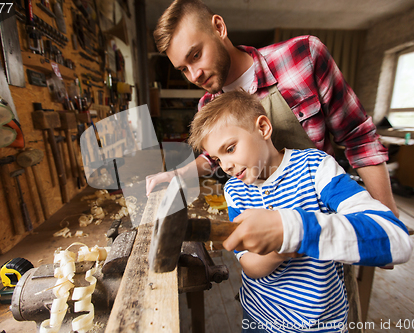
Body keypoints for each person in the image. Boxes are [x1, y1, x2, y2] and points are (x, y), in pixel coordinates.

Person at [147, 0, 400, 253]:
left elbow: (359, 137)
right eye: (183, 69)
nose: (194, 76)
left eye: (195, 55)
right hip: (267, 249)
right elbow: (213, 159)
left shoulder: (303, 56)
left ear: (219, 27)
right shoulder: (208, 105)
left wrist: (386, 221)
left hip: (326, 231)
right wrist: (177, 176)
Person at [187, 90, 412, 332]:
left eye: (230, 149)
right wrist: (280, 247)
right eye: (218, 159)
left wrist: (293, 230)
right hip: (259, 318)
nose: (227, 166)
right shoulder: (235, 190)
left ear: (263, 128)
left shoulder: (316, 167)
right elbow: (251, 266)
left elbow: (395, 239)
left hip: (319, 324)